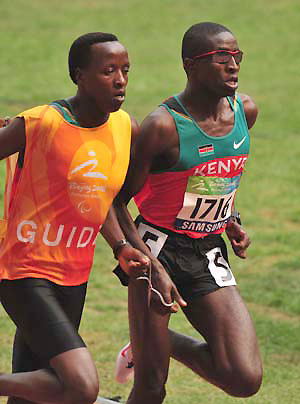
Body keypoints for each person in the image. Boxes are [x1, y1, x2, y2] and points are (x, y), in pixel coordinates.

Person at [111, 22, 263, 404]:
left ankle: (149, 344)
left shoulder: (245, 110)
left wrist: (230, 219)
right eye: (221, 57)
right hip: (156, 250)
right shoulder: (162, 127)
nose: (233, 65)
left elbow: (214, 177)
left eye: (236, 56)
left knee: (244, 378)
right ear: (190, 65)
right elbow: (116, 201)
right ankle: (150, 348)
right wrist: (152, 267)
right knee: (150, 388)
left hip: (207, 250)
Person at [0, 32, 149, 404]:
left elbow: (101, 198)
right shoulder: (41, 123)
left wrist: (120, 246)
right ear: (79, 75)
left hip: (74, 273)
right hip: (24, 271)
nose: (120, 80)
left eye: (125, 70)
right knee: (81, 385)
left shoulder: (123, 128)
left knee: (37, 389)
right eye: (108, 71)